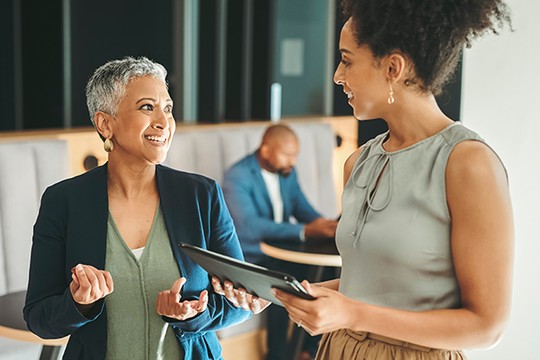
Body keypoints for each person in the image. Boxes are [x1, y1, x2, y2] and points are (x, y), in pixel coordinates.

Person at [217, 1, 514, 359]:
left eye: (347, 59)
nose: (337, 76)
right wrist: (277, 295)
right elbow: (371, 284)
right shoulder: (358, 163)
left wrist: (353, 313)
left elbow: (487, 326)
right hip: (339, 350)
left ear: (393, 67)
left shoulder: (468, 164)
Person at [23, 56, 251, 360]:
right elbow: (39, 318)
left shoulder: (202, 195)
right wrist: (78, 303)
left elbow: (240, 300)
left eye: (167, 108)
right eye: (147, 107)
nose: (163, 121)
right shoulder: (63, 202)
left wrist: (193, 316)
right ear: (106, 123)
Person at [221, 123, 338, 360]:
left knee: (328, 273)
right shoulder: (238, 176)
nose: (292, 161)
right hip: (253, 254)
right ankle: (277, 355)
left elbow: (300, 206)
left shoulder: (287, 172)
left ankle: (309, 350)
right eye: (287, 155)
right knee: (281, 281)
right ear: (265, 150)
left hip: (284, 252)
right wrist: (305, 230)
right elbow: (249, 226)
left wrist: (325, 226)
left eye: (295, 155)